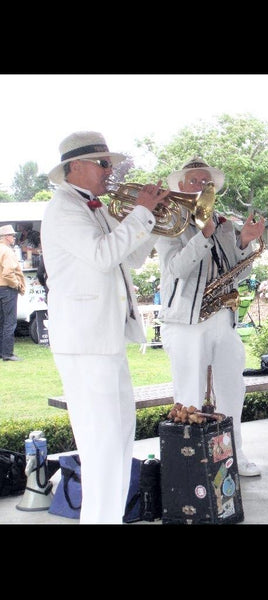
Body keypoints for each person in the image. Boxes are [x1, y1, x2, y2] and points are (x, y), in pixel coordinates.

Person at [41, 131, 169, 524]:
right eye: (103, 163)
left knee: (117, 442)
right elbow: (102, 255)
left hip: (105, 340)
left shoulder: (93, 206)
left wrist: (154, 218)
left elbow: (130, 257)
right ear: (73, 168)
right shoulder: (64, 209)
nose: (110, 170)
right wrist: (140, 213)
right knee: (100, 447)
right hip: (85, 343)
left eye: (109, 162)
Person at [155, 157, 265, 477]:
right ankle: (192, 463)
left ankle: (233, 454)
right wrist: (202, 234)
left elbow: (237, 274)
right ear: (181, 187)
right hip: (187, 322)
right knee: (189, 392)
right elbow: (177, 269)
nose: (202, 187)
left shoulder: (223, 222)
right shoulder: (171, 219)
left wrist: (245, 240)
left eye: (207, 183)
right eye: (195, 181)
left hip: (222, 317)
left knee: (233, 389)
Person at [0, 224, 26, 361]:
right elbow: (8, 273)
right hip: (7, 289)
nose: (14, 238)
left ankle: (1, 352)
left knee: (1, 321)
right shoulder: (7, 251)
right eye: (12, 235)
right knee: (9, 322)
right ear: (6, 237)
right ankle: (7, 354)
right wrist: (16, 285)